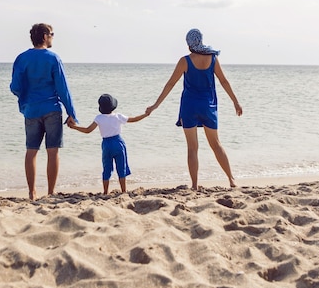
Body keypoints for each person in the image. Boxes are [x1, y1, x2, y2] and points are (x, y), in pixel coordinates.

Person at [146, 28, 242, 189]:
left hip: (189, 106)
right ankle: (231, 180)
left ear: (189, 43)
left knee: (192, 147)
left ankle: (195, 185)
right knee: (216, 144)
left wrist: (155, 105)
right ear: (201, 40)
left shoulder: (185, 61)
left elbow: (170, 84)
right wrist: (235, 101)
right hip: (208, 106)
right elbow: (224, 81)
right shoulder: (212, 58)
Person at [10, 23, 77, 200]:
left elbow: (15, 86)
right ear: (45, 36)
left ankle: (32, 192)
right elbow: (63, 89)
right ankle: (50, 192)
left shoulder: (21, 58)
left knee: (31, 151)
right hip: (52, 109)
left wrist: (25, 101)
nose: (53, 37)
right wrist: (71, 113)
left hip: (31, 110)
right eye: (52, 34)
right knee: (52, 151)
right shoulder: (53, 58)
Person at [68, 94, 149, 194]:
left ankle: (105, 192)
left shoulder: (99, 118)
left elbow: (88, 130)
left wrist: (74, 127)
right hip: (118, 142)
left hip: (106, 144)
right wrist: (145, 114)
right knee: (121, 168)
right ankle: (123, 191)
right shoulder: (118, 116)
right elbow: (134, 119)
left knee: (106, 168)